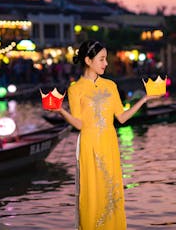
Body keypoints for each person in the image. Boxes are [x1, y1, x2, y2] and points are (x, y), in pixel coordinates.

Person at [51, 40, 157, 229]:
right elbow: (79, 124)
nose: (106, 63)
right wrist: (61, 111)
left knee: (110, 189)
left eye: (105, 59)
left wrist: (145, 99)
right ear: (88, 60)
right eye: (101, 59)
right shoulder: (75, 89)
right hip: (89, 144)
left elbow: (122, 118)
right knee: (91, 191)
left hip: (109, 142)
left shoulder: (111, 86)